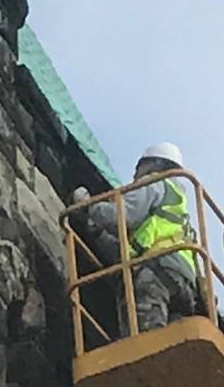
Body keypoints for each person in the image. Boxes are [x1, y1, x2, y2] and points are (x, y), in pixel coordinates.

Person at [71, 142, 199, 335]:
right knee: (172, 341)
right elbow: (124, 254)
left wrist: (90, 206)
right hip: (182, 283)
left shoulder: (155, 183)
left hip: (157, 272)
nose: (134, 176)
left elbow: (123, 215)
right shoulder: (178, 209)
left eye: (138, 168)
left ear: (154, 164)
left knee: (145, 340)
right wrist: (95, 230)